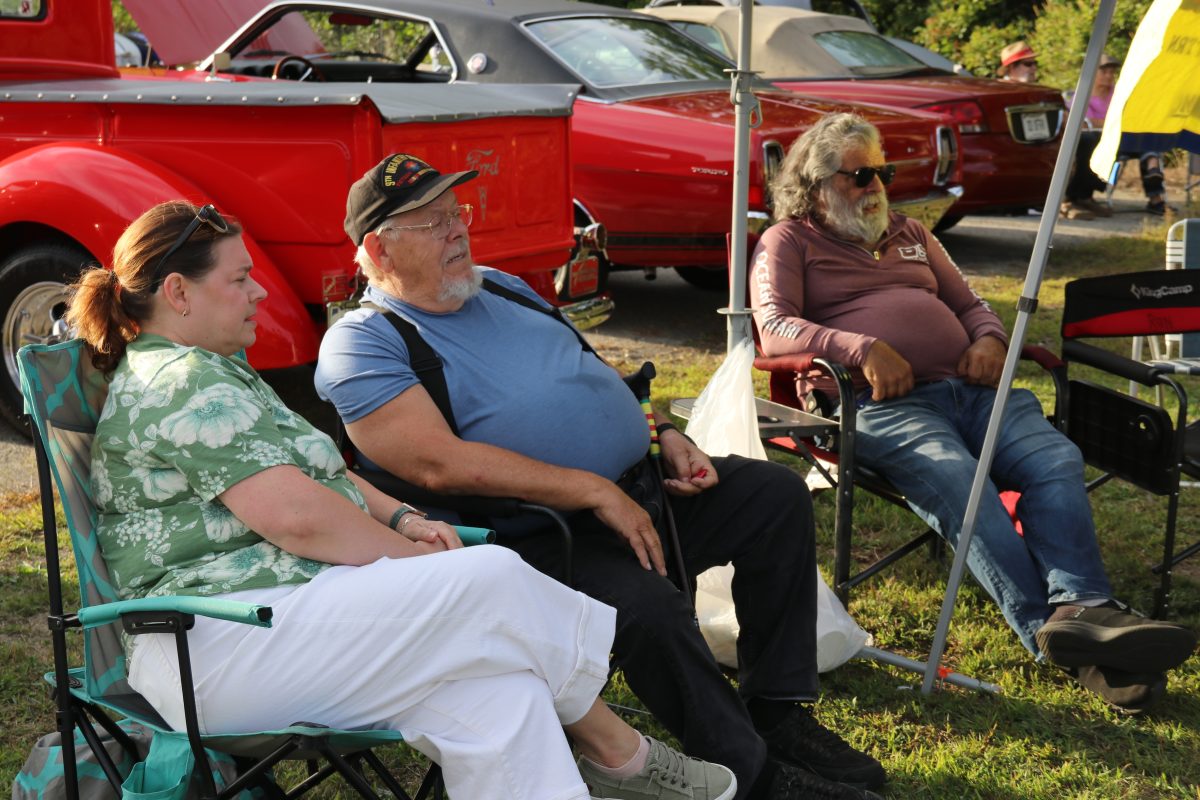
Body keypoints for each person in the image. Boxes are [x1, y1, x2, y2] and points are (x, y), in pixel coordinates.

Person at [67, 200, 739, 800]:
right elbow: (299, 519)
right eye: (239, 278)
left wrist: (404, 518)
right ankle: (620, 751)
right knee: (489, 576)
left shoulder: (214, 371)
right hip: (212, 645)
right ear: (178, 292)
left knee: (501, 696)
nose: (259, 291)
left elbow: (320, 474)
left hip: (284, 621)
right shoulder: (179, 381)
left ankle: (600, 762)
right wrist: (418, 562)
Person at [315, 154, 889, 800]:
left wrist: (663, 434)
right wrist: (593, 490)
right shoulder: (364, 342)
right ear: (378, 249)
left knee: (774, 498)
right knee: (647, 611)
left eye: (457, 213)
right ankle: (755, 779)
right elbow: (436, 464)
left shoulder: (500, 286)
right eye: (433, 223)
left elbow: (600, 377)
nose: (458, 230)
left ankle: (776, 713)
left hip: (637, 492)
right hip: (534, 541)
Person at [750, 112, 1198, 713]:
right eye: (859, 176)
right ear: (816, 184)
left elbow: (972, 304)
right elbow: (774, 327)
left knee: (1055, 458)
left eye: (882, 172)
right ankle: (1066, 642)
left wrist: (988, 338)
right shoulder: (789, 241)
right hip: (879, 404)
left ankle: (1084, 608)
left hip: (974, 390)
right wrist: (862, 348)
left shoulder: (911, 232)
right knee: (961, 481)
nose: (876, 186)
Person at [1070, 53, 1169, 217]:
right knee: (1144, 144)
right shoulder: (1083, 95)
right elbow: (1086, 123)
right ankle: (1155, 190)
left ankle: (1154, 183)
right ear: (1093, 72)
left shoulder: (1119, 93)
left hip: (1124, 139)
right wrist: (1116, 122)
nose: (1109, 76)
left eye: (1112, 72)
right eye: (1104, 72)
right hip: (1101, 144)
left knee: (1148, 138)